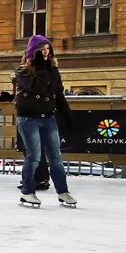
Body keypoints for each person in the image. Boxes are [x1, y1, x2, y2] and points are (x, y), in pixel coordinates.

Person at [7, 35, 75, 208]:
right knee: (34, 156)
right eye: (41, 50)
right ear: (33, 52)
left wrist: (68, 116)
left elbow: (59, 95)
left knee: (56, 157)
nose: (45, 53)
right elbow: (38, 87)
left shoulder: (53, 70)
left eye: (47, 49)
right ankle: (28, 192)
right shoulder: (23, 72)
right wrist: (41, 66)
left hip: (48, 118)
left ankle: (62, 191)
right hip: (28, 119)